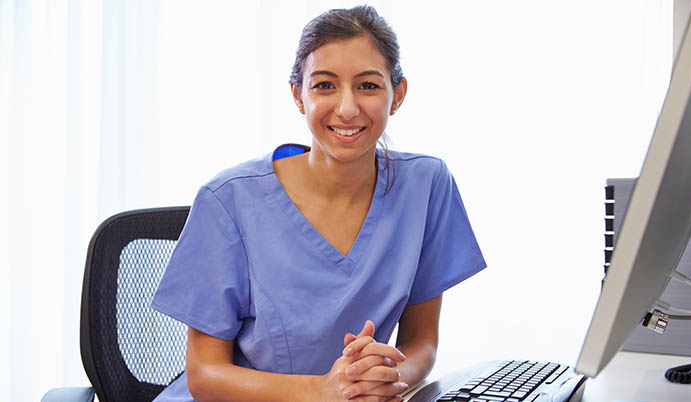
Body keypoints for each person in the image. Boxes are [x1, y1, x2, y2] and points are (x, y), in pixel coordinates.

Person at [150, 5, 486, 402]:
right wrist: (323, 391)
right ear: (298, 95)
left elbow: (421, 344)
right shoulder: (228, 200)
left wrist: (381, 380)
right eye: (325, 85)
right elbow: (204, 374)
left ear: (397, 95)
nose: (347, 108)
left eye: (368, 86)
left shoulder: (427, 186)